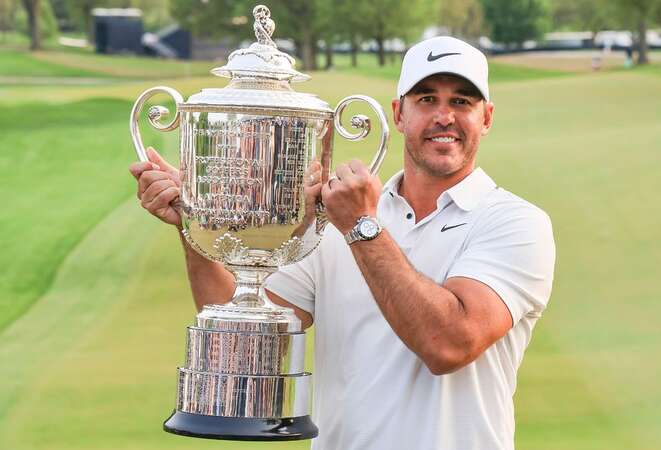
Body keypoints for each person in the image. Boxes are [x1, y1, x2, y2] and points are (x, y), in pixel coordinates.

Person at [130, 36, 556, 450]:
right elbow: (241, 341)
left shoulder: (515, 223)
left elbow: (448, 344)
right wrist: (194, 226)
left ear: (486, 117)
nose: (444, 116)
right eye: (426, 99)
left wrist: (360, 226)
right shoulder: (335, 219)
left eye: (461, 101)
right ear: (399, 114)